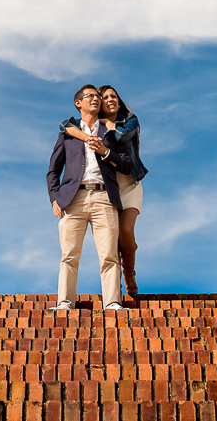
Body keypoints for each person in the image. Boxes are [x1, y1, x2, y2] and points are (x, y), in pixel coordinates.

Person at [46, 84, 134, 311]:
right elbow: (53, 171)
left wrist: (106, 152)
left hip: (105, 198)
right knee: (69, 255)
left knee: (109, 255)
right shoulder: (67, 134)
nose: (95, 99)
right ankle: (65, 302)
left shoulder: (112, 132)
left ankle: (112, 302)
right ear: (78, 103)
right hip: (72, 199)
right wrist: (55, 198)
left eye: (97, 96)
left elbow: (127, 165)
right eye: (90, 96)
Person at [59, 85, 148, 296]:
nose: (109, 100)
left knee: (125, 231)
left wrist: (107, 123)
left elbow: (122, 137)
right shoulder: (91, 126)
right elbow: (64, 126)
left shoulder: (129, 120)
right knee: (110, 238)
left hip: (128, 185)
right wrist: (84, 134)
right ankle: (114, 289)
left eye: (113, 96)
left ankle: (129, 273)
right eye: (104, 97)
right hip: (108, 187)